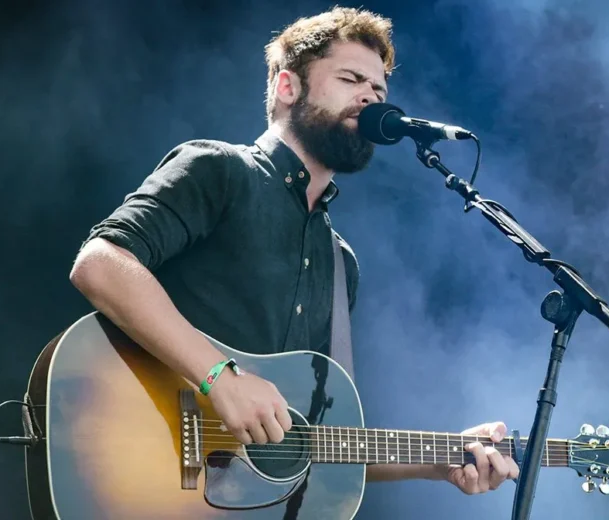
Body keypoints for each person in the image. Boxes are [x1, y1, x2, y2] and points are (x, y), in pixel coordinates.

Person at [69, 6, 519, 497]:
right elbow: (101, 262)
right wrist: (219, 376)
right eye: (351, 78)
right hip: (140, 472)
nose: (371, 96)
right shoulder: (218, 170)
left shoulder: (340, 264)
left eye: (379, 91)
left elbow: (313, 443)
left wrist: (442, 461)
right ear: (288, 88)